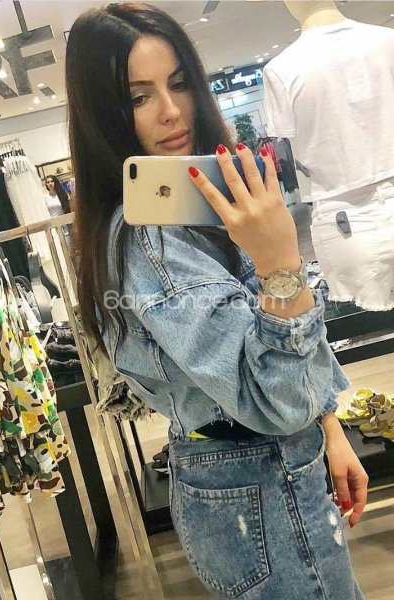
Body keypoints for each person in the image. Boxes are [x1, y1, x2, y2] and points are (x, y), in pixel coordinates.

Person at [66, 3, 367, 598]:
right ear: (103, 113)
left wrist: (329, 425)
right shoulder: (149, 238)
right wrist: (280, 263)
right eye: (138, 97)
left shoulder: (196, 203)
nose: (172, 110)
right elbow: (275, 401)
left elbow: (281, 372)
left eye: (178, 82)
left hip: (262, 472)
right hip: (256, 478)